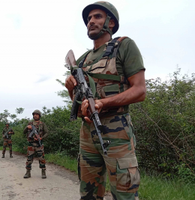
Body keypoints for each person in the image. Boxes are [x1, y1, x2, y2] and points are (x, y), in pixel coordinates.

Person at [65, 1, 146, 200]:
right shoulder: (82, 60)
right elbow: (77, 106)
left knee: (125, 193)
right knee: (88, 194)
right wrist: (70, 89)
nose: (91, 21)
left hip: (117, 132)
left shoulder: (123, 45)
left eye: (97, 17)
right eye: (89, 18)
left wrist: (103, 103)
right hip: (87, 135)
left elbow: (139, 90)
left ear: (110, 22)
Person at [23, 109, 49, 179]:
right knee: (29, 159)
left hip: (39, 145)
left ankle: (43, 172)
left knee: (41, 159)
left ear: (39, 116)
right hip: (31, 144)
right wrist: (27, 127)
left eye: (37, 114)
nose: (35, 116)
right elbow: (24, 132)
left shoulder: (42, 124)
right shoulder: (30, 124)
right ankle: (28, 172)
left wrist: (41, 138)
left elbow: (47, 132)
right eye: (34, 114)